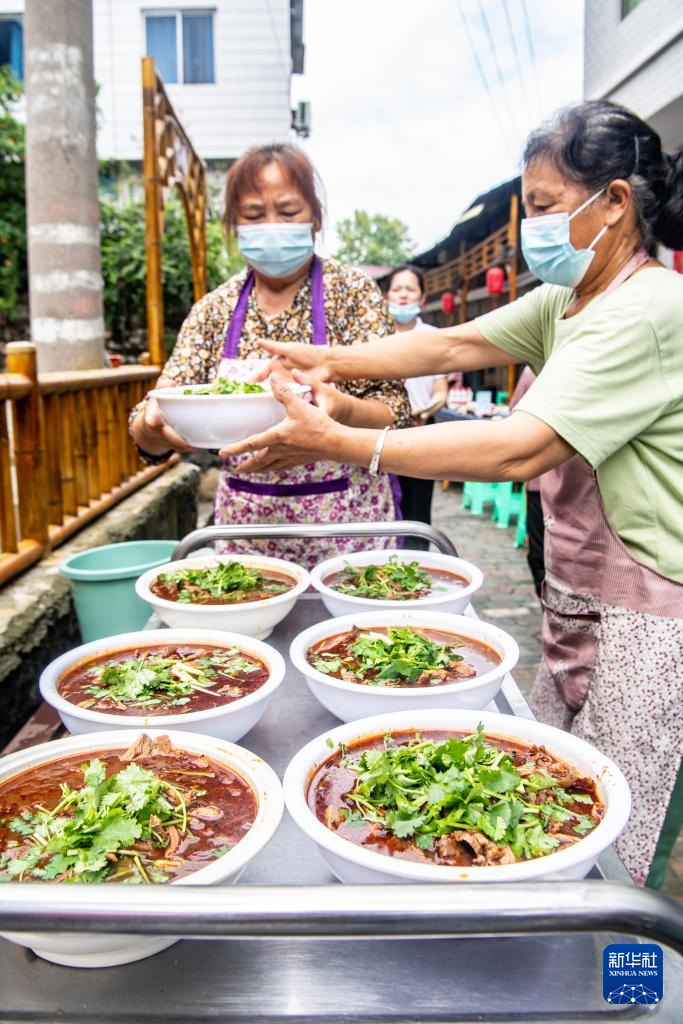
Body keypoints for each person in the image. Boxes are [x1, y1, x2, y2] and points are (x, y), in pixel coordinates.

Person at [222, 101, 683, 888]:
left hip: (652, 611)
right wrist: (327, 360)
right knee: (556, 804)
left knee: (621, 836)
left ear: (612, 202)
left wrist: (343, 442)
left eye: (544, 207)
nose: (532, 226)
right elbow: (449, 343)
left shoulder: (645, 308)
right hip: (578, 599)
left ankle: (628, 962)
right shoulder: (571, 297)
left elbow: (518, 448)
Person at [129, 144, 410, 568]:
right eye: (254, 215)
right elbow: (149, 425)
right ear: (233, 224)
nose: (272, 226)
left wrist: (341, 411)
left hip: (349, 532)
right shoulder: (215, 309)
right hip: (246, 536)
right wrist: (153, 427)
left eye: (289, 211)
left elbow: (396, 413)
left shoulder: (353, 294)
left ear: (315, 218)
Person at [385, 265, 448, 548]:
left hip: (423, 431)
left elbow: (440, 392)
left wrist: (426, 411)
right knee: (387, 501)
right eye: (397, 289)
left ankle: (417, 559)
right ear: (386, 296)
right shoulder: (376, 336)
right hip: (383, 433)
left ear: (422, 298)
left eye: (410, 290)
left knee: (419, 504)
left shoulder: (434, 337)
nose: (403, 295)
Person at [509, 366, 544, 597]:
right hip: (545, 481)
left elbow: (514, 412)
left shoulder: (532, 371)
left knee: (540, 554)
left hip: (542, 479)